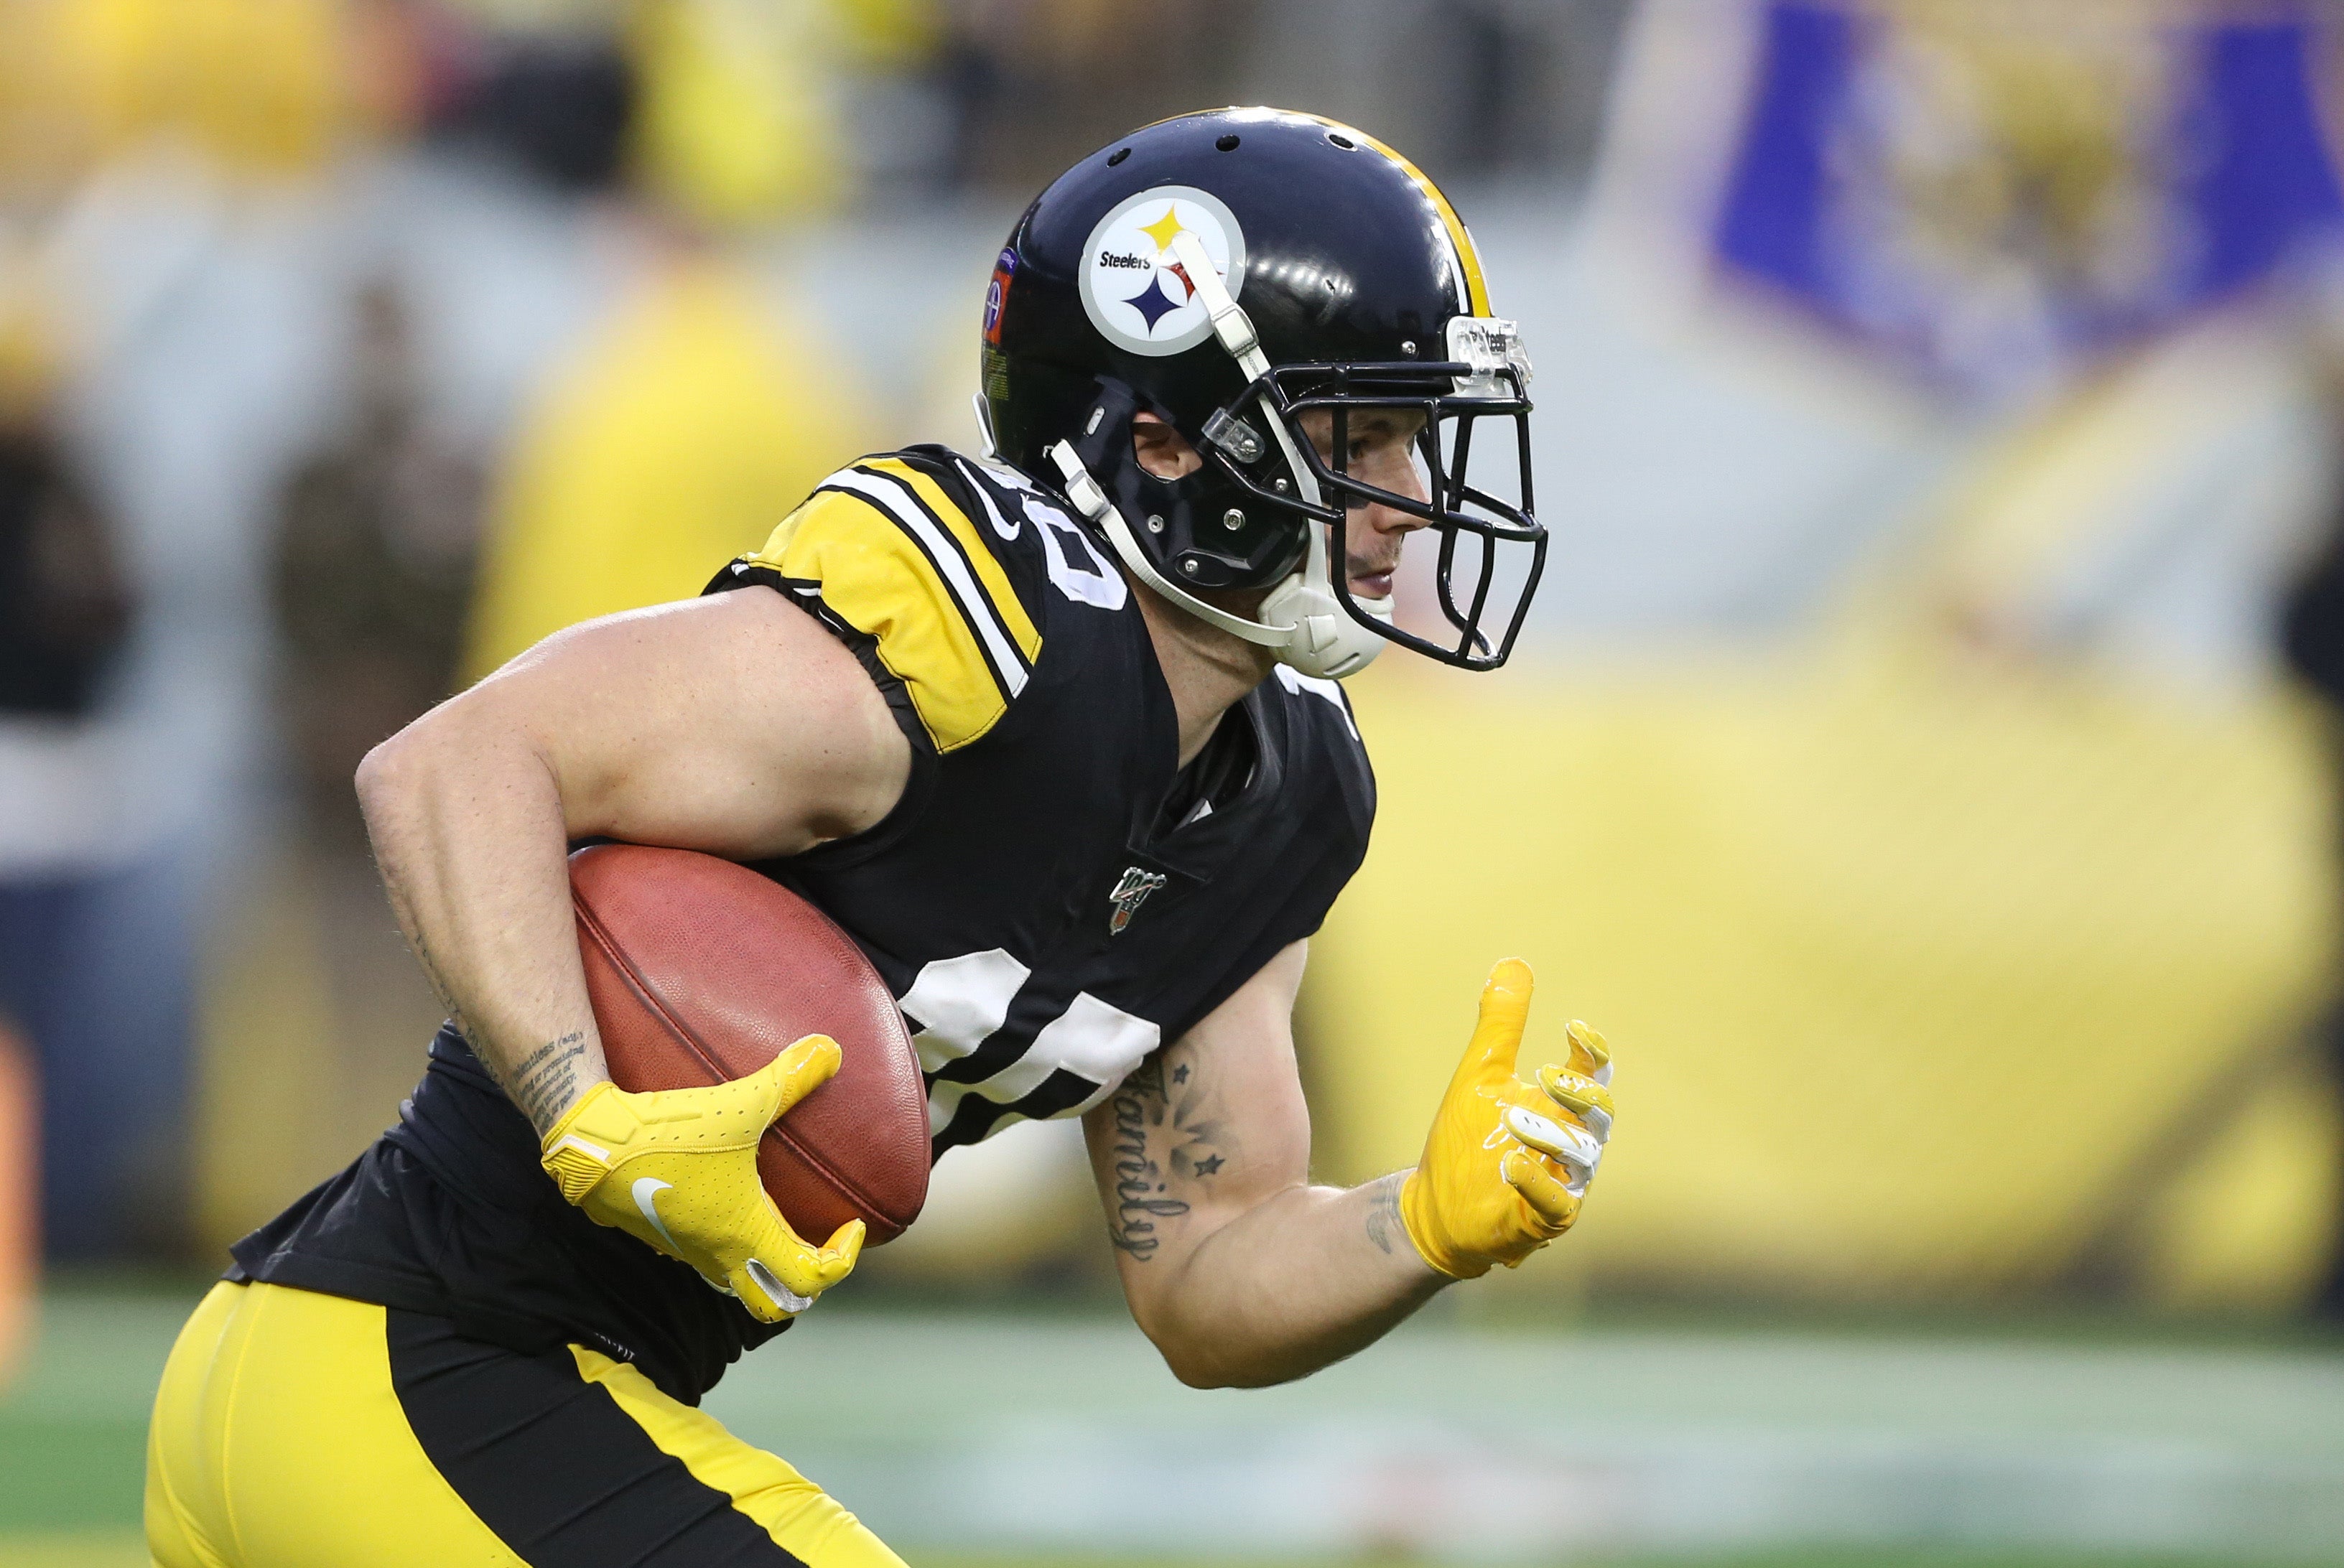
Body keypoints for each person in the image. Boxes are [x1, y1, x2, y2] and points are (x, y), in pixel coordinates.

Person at [144, 108, 1618, 1566]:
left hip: (502, 1396)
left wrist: (1417, 1226)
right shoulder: (983, 631)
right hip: (400, 1364)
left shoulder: (1277, 797)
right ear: (1162, 441)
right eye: (1361, 437)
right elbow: (454, 763)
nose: (1410, 506)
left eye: (1419, 441)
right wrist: (576, 1104)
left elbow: (1208, 1274)